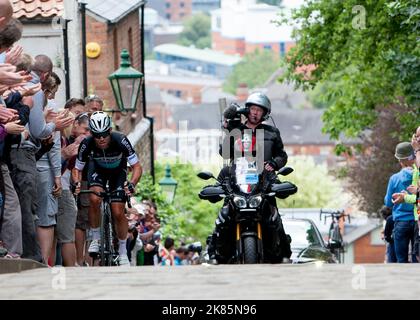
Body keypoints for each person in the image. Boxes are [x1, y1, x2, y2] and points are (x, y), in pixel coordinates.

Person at [207, 92, 291, 263]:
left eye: (259, 110)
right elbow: (225, 153)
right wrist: (228, 130)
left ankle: (283, 253)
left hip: (264, 183)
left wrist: (274, 164)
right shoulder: (236, 131)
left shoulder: (272, 132)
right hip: (238, 182)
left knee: (274, 217)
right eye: (252, 109)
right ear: (247, 110)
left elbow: (282, 155)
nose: (255, 113)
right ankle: (215, 252)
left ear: (265, 113)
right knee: (224, 214)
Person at [72, 111, 142, 266]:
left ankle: (123, 253)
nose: (101, 138)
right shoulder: (87, 143)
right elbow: (77, 169)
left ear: (110, 131)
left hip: (118, 172)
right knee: (94, 198)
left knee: (118, 211)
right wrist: (76, 183)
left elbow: (137, 167)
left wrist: (132, 184)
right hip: (97, 171)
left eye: (104, 134)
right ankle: (96, 238)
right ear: (92, 134)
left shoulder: (121, 140)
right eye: (97, 135)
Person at [384, 142, 417, 263]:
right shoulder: (417, 176)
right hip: (416, 221)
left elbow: (388, 203)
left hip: (400, 222)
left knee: (401, 260)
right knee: (417, 258)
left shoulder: (394, 178)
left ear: (400, 161)